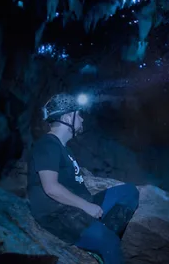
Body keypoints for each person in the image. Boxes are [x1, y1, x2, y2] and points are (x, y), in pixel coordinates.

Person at [27, 93, 139, 264]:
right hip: (59, 215)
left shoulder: (65, 150)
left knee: (128, 192)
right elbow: (51, 188)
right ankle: (102, 242)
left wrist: (88, 204)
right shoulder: (47, 144)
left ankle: (99, 235)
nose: (82, 120)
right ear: (67, 117)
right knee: (110, 243)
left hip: (78, 207)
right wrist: (86, 206)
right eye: (78, 115)